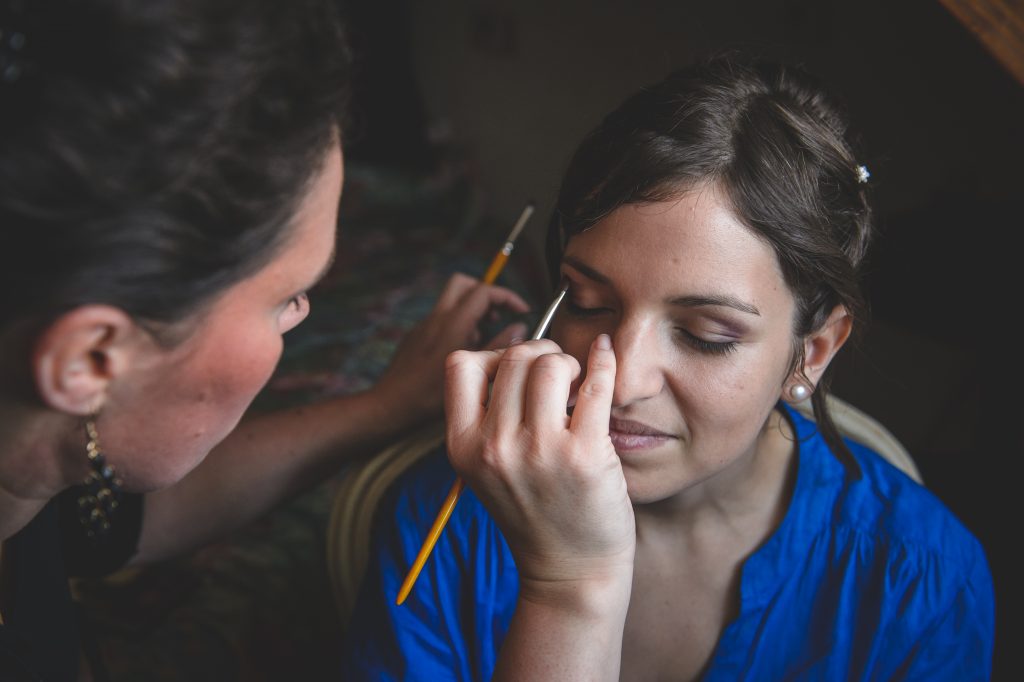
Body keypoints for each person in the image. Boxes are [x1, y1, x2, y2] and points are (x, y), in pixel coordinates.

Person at [341, 54, 995, 680]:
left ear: (813, 352)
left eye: (706, 335)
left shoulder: (918, 582)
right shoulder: (452, 517)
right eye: (591, 303)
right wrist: (565, 583)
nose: (623, 381)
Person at [0, 0, 529, 679]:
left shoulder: (40, 461)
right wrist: (577, 586)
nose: (301, 315)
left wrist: (386, 406)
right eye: (284, 298)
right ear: (89, 360)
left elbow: (119, 515)